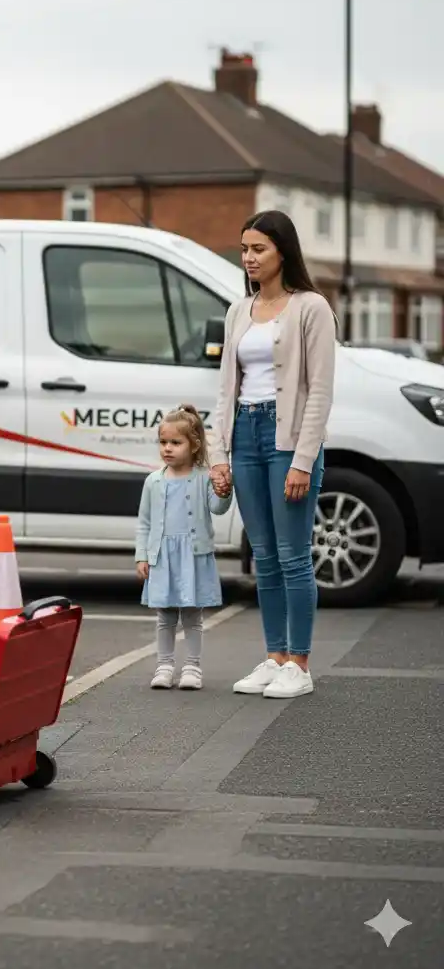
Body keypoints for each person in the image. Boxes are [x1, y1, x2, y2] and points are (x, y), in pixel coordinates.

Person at [209, 210, 337, 700]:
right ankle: (275, 656)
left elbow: (320, 391)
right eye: (244, 249)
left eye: (258, 249)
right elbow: (225, 389)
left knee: (292, 555)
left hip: (287, 441)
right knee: (262, 556)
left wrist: (303, 459)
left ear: (283, 251)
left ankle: (299, 665)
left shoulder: (311, 308)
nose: (249, 258)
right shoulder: (239, 310)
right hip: (245, 435)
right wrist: (218, 454)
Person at [135, 404, 232, 691]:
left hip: (193, 555)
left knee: (192, 615)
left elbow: (218, 507)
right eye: (163, 442)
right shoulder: (153, 481)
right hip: (162, 557)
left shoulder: (203, 478)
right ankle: (164, 665)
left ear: (194, 445)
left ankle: (192, 667)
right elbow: (144, 523)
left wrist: (224, 491)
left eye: (175, 443)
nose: (167, 448)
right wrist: (142, 555)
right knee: (165, 616)